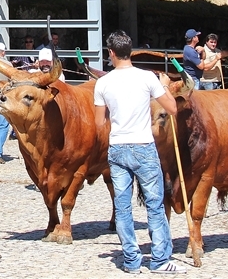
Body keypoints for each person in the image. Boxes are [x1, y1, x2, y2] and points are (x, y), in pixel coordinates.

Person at [93, 30, 184, 274]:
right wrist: (163, 87)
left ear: (111, 53)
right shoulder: (147, 78)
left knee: (123, 208)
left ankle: (132, 261)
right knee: (154, 205)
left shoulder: (102, 83)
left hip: (118, 148)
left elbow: (99, 123)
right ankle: (160, 260)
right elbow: (173, 108)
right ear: (130, 51)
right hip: (143, 146)